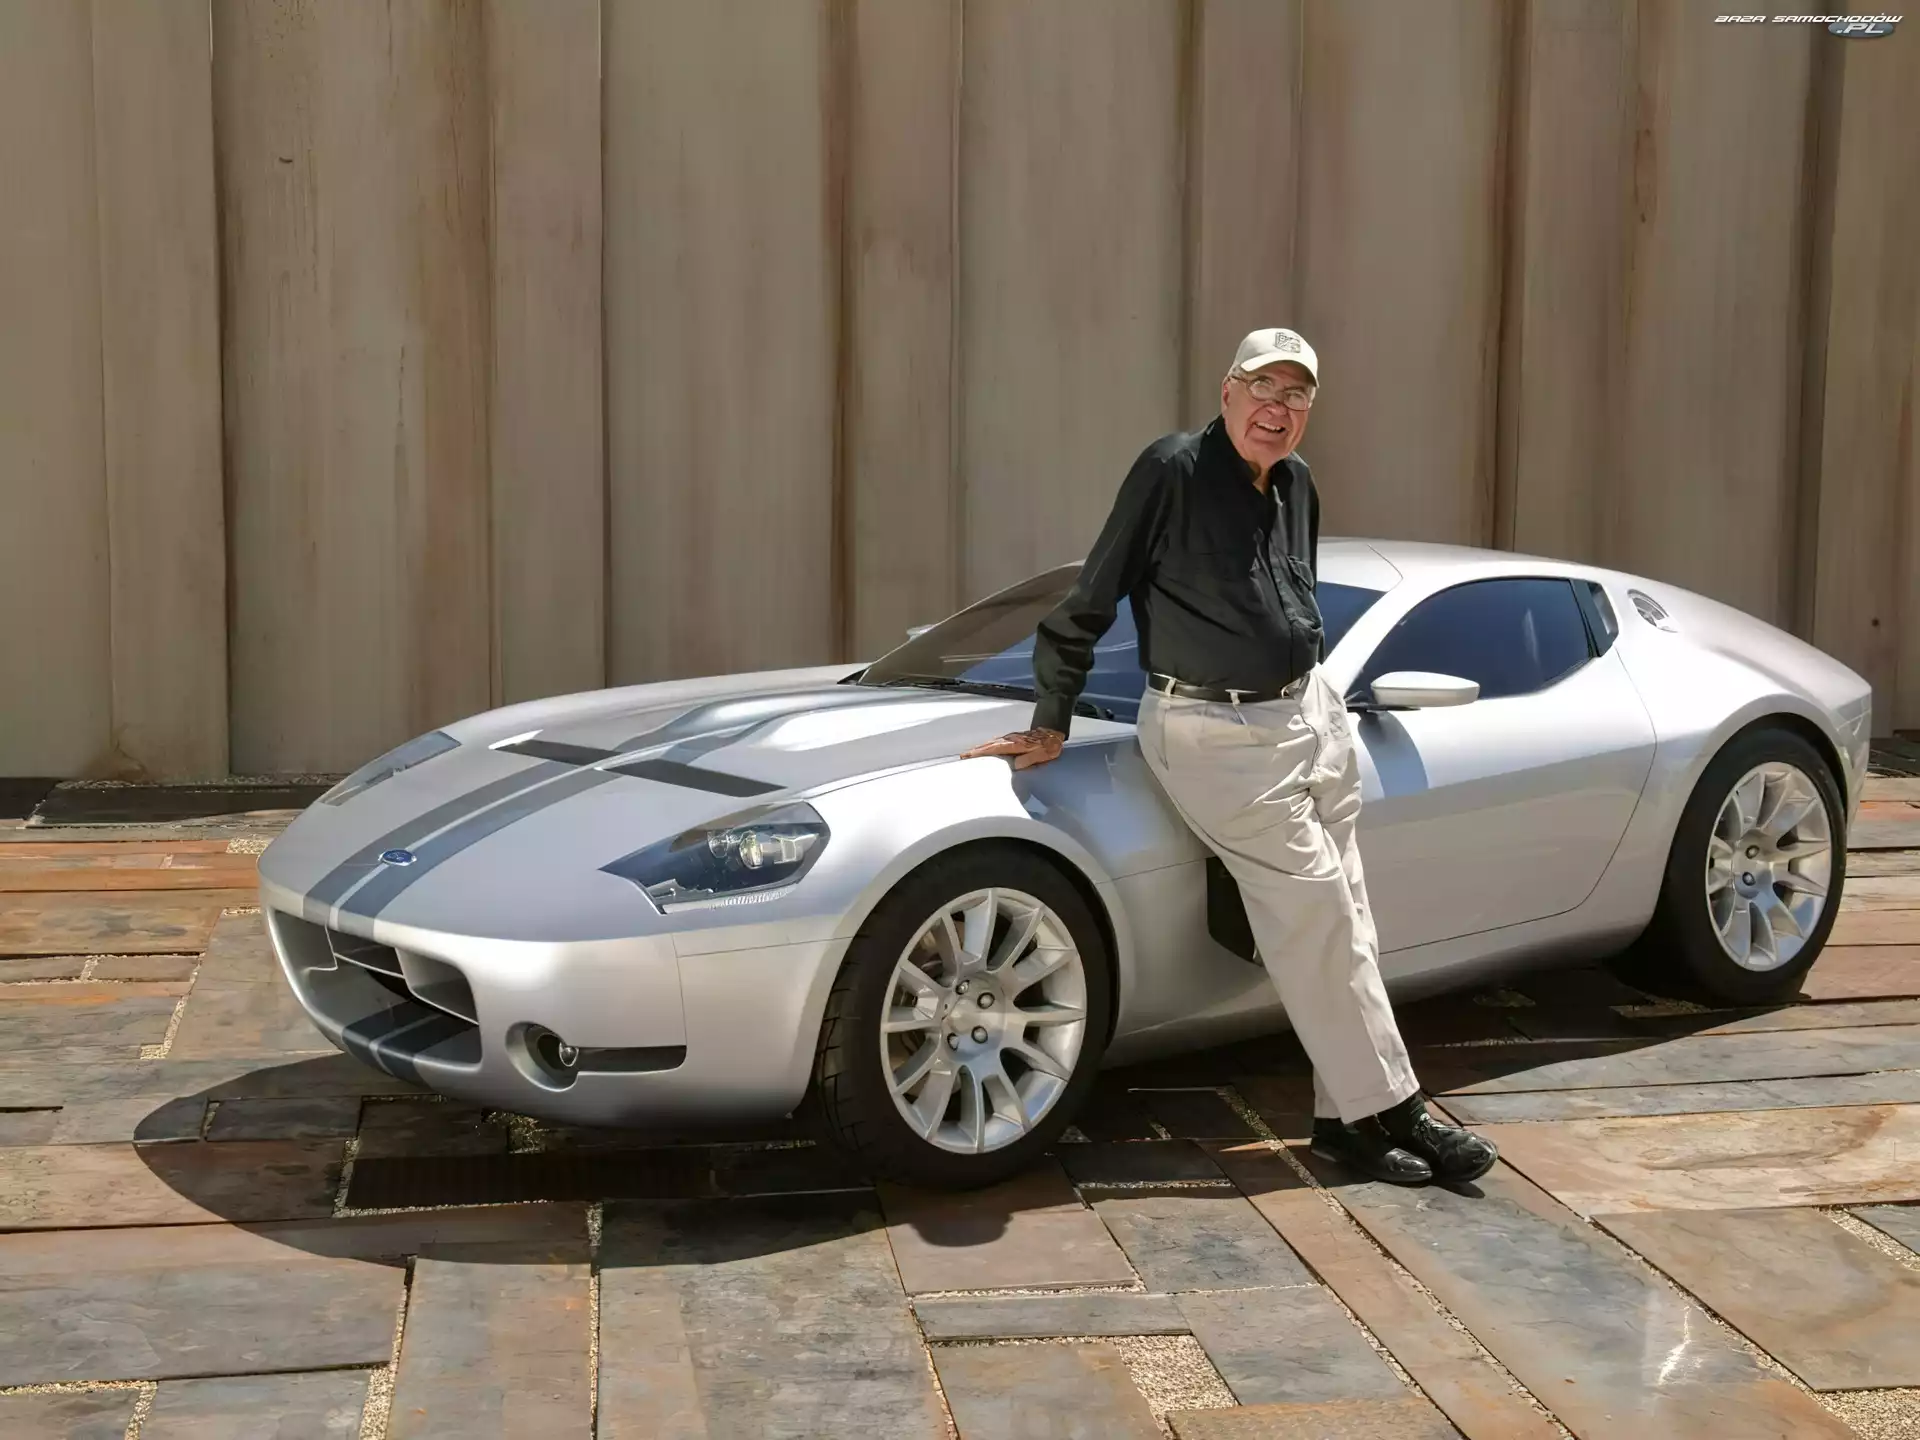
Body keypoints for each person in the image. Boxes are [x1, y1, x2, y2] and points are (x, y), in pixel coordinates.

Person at [960, 327, 1498, 1186]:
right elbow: (1090, 598)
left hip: (1309, 714)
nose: (1277, 409)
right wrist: (1051, 719)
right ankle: (1398, 1110)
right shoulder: (1171, 470)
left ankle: (1345, 1121)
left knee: (1348, 922)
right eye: (1263, 388)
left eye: (1296, 395)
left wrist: (1316, 701)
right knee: (1319, 919)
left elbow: (1293, 597)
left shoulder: (1297, 483)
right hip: (1214, 728)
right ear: (1227, 390)